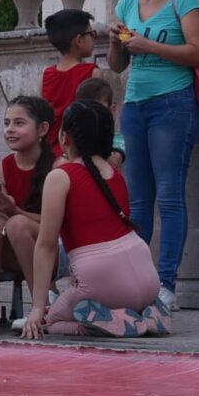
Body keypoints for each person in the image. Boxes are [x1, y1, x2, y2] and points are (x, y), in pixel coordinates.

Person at [110, 0, 199, 305]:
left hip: (173, 103)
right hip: (135, 104)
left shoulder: (184, 1)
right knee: (137, 201)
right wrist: (116, 42)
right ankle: (137, 283)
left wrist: (147, 44)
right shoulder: (126, 4)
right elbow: (117, 65)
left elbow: (198, 52)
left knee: (169, 197)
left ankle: (166, 285)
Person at [21, 99, 161, 339]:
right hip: (148, 277)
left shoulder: (60, 176)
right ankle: (145, 315)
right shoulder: (114, 174)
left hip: (102, 280)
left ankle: (110, 322)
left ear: (65, 138)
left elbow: (46, 245)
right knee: (87, 298)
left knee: (50, 322)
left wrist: (36, 309)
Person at [0, 93, 55, 335]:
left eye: (19, 123)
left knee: (17, 222)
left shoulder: (57, 167)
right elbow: (4, 215)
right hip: (15, 247)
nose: (10, 129)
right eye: (6, 123)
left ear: (42, 129)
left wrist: (13, 211)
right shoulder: (1, 168)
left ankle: (42, 307)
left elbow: (56, 227)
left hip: (52, 249)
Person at [38, 11, 97, 125]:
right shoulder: (92, 73)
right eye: (91, 33)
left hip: (52, 142)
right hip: (82, 141)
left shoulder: (45, 77)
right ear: (79, 40)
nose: (94, 38)